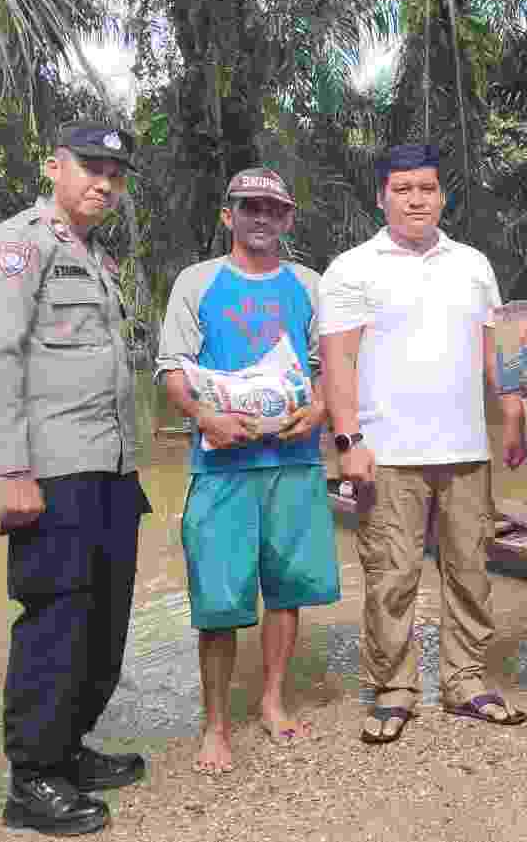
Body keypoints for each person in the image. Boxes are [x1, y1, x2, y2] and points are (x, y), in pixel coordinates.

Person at [0, 124, 151, 836]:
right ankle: (32, 778)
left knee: (104, 619)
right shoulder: (18, 246)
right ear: (55, 166)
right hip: (53, 468)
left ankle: (68, 749)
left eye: (116, 172)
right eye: (91, 167)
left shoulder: (96, 258)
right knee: (55, 617)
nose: (104, 182)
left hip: (108, 467)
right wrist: (13, 469)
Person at [318, 142, 527, 744]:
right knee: (391, 574)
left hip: (465, 449)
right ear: (382, 196)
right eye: (404, 188)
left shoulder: (472, 264)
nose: (417, 198)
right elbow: (340, 360)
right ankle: (395, 687)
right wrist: (348, 439)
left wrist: (510, 413)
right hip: (387, 452)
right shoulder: (353, 268)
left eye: (428, 188)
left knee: (470, 571)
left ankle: (465, 680)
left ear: (443, 195)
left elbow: (494, 350)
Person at [155, 168, 340, 773]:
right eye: (248, 207)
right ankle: (214, 725)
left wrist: (319, 408)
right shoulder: (198, 282)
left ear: (288, 219)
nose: (261, 217)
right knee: (219, 597)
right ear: (227, 214)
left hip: (294, 460)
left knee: (286, 590)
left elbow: (326, 366)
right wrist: (204, 416)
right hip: (222, 465)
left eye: (272, 208)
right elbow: (172, 369)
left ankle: (272, 700)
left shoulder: (309, 285)